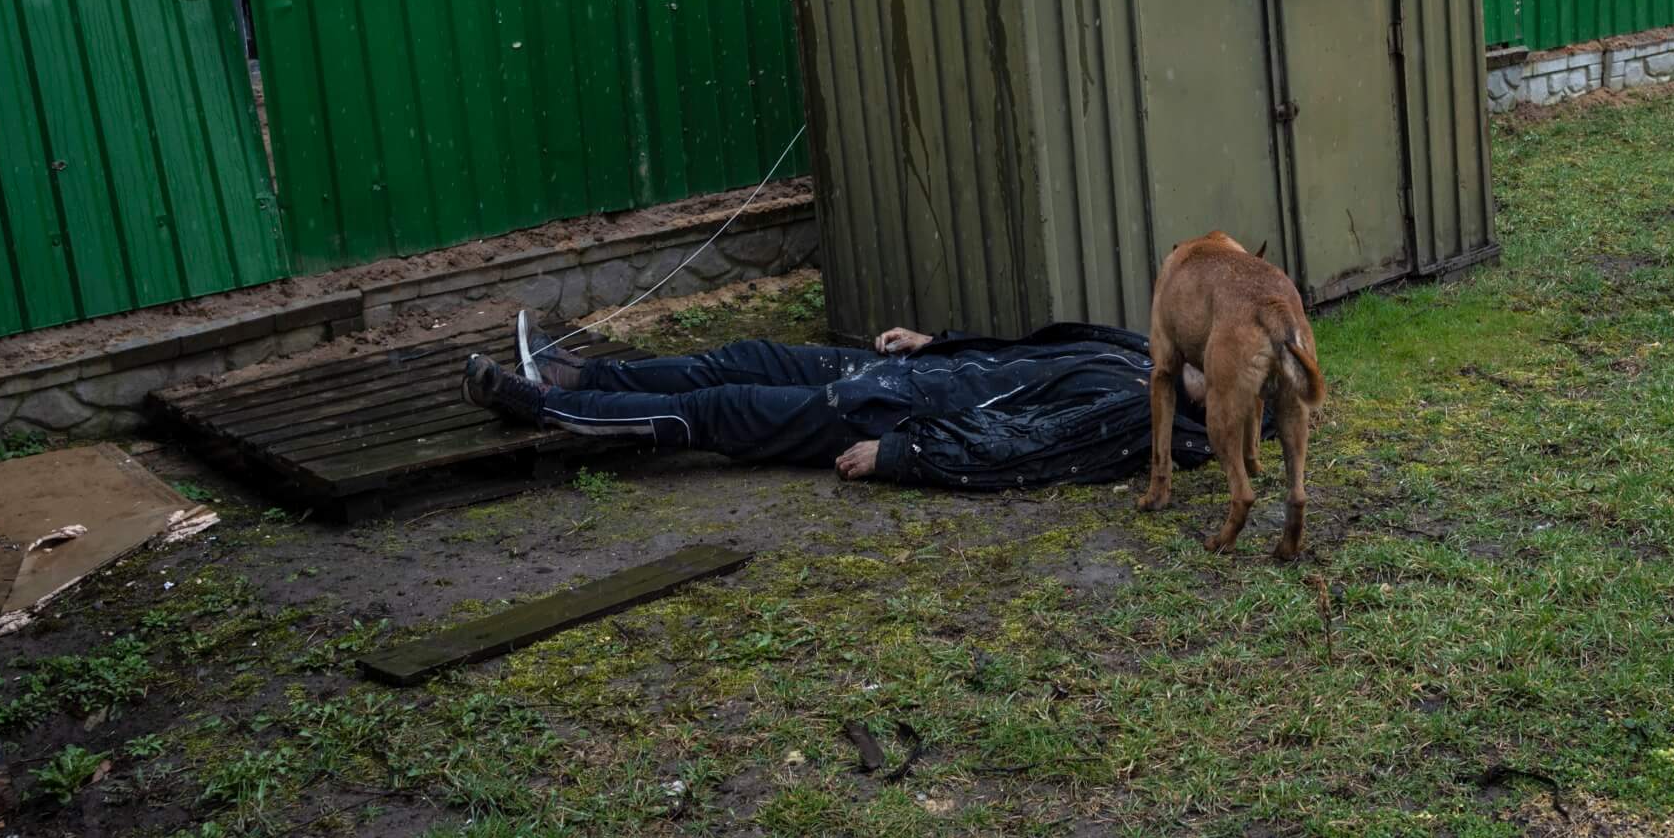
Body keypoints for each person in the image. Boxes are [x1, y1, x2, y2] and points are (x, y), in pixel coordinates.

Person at [459, 312, 1249, 490]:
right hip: (904, 374)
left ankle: (545, 409)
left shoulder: (1135, 417)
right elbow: (1022, 353)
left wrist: (903, 454)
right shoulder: (1134, 355)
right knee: (743, 357)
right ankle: (579, 379)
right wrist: (936, 342)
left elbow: (1025, 448)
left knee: (721, 410)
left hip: (891, 416)